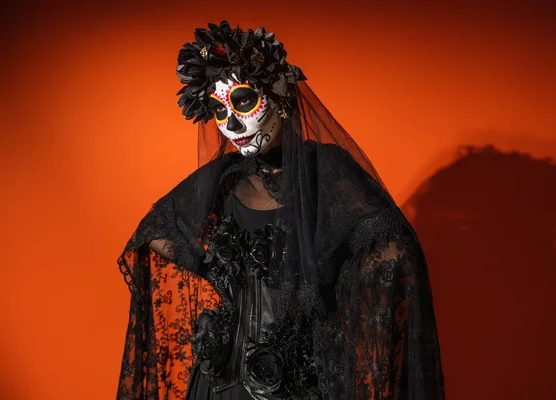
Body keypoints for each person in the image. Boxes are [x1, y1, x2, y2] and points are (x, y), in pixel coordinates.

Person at [116, 21, 445, 400]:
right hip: (219, 384)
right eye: (219, 110)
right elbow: (154, 231)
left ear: (280, 97)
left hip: (299, 385)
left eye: (242, 101)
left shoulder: (327, 171)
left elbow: (393, 248)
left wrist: (335, 288)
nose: (233, 124)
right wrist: (220, 274)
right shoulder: (225, 180)